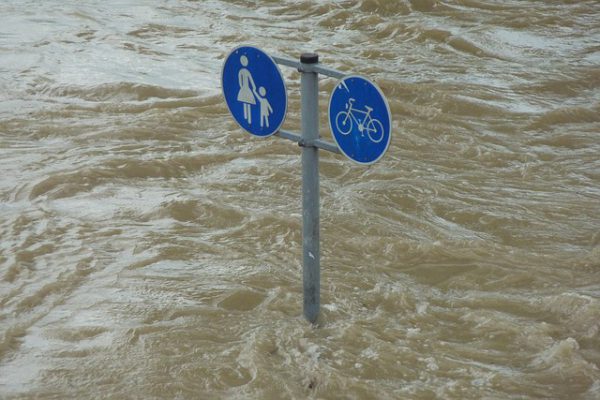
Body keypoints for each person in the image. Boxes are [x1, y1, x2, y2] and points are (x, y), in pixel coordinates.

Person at [237, 55, 256, 124]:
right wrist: (242, 87)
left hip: (245, 88)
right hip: (245, 88)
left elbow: (250, 79)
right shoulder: (242, 71)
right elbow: (240, 80)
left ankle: (248, 120)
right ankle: (246, 119)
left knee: (247, 102)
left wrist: (253, 86)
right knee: (245, 102)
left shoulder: (243, 71)